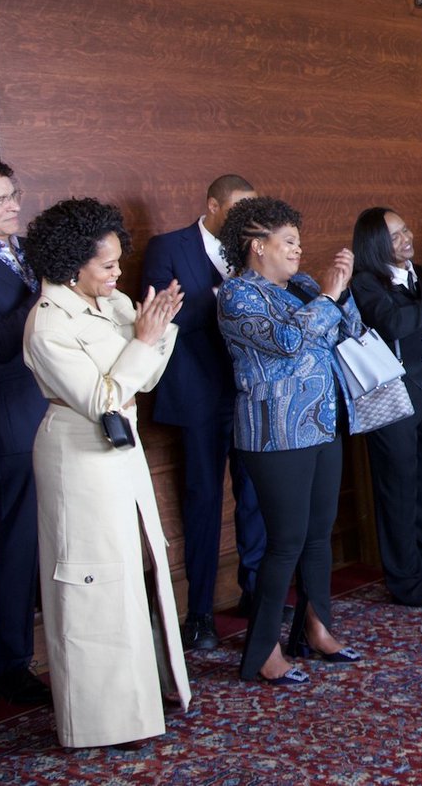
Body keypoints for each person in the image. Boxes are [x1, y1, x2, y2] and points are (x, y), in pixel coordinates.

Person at [22, 198, 189, 748]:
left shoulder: (109, 300)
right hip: (78, 455)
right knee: (92, 583)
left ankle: (143, 701)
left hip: (122, 450)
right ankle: (97, 722)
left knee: (132, 572)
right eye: (108, 265)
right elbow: (103, 398)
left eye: (120, 262)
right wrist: (143, 340)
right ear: (72, 264)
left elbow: (145, 377)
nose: (119, 274)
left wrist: (160, 329)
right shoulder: (47, 323)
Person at [217, 196, 363, 685]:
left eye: (299, 241)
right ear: (258, 246)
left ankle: (316, 629)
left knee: (319, 535)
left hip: (322, 424)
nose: (299, 250)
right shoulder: (237, 295)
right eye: (289, 242)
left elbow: (352, 330)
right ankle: (263, 650)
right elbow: (287, 342)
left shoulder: (303, 286)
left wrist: (342, 291)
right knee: (285, 543)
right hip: (273, 434)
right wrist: (327, 297)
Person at [141, 174, 264, 651]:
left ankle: (255, 593)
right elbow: (166, 315)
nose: (245, 218)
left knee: (255, 496)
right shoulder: (167, 247)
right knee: (203, 500)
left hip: (250, 392)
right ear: (212, 204)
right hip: (197, 396)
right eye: (237, 207)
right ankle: (199, 614)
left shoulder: (255, 248)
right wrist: (227, 300)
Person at [349, 208, 422, 607]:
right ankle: (405, 579)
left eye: (406, 229)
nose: (407, 239)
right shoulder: (365, 285)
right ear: (375, 244)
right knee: (398, 488)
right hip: (393, 397)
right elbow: (396, 325)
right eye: (395, 235)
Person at [0, 155, 50, 706]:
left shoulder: (24, 251)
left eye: (13, 194)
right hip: (8, 421)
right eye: (0, 199)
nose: (14, 205)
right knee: (19, 540)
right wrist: (45, 289)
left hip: (59, 409)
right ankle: (12, 665)